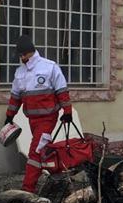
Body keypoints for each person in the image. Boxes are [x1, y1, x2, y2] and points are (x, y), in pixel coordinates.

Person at [5, 35, 73, 193]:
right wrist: (9, 116)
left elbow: (62, 91)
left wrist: (67, 111)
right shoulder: (20, 72)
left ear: (28, 52)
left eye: (22, 55)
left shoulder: (49, 67)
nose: (21, 58)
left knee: (35, 153)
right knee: (44, 151)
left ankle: (27, 189)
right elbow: (15, 97)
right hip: (32, 120)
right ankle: (61, 180)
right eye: (20, 55)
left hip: (48, 118)